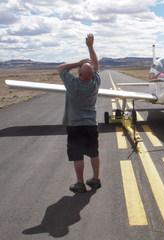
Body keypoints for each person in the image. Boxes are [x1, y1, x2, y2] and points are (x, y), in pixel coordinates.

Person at [58, 33, 101, 193]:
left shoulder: (73, 84)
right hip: (91, 124)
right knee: (94, 153)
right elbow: (96, 65)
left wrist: (79, 62)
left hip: (75, 125)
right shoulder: (95, 82)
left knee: (78, 155)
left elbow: (61, 68)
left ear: (80, 75)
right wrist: (90, 47)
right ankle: (96, 179)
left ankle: (80, 183)